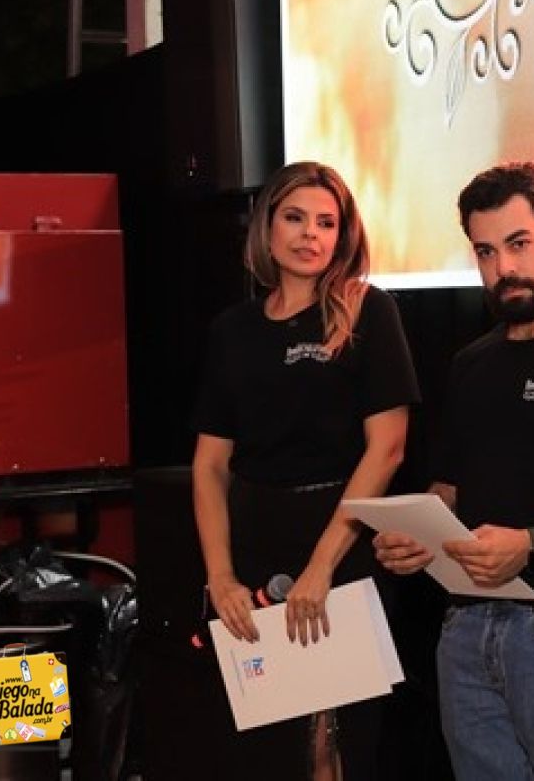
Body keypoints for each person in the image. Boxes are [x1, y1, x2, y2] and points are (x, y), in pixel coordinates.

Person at [191, 161, 420, 780]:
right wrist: (220, 576)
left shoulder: (368, 310)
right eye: (295, 218)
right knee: (268, 748)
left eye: (326, 222)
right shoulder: (232, 331)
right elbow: (210, 465)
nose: (310, 234)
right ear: (267, 229)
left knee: (338, 744)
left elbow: (388, 449)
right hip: (253, 546)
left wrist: (323, 567)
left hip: (343, 543)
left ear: (342, 236)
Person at [373, 162, 534, 781]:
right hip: (464, 629)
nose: (504, 268)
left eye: (519, 243)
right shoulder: (470, 364)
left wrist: (531, 544)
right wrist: (417, 534)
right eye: (486, 251)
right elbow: (449, 488)